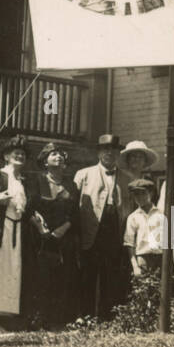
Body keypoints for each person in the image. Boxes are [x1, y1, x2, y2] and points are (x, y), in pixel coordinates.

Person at [74, 134, 131, 321]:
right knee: (88, 273)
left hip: (114, 229)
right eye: (105, 149)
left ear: (118, 154)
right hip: (91, 229)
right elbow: (74, 206)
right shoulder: (83, 174)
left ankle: (106, 316)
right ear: (98, 152)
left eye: (113, 150)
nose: (109, 153)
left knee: (110, 273)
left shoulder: (126, 178)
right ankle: (85, 315)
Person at [29, 143, 81, 329]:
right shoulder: (37, 181)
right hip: (41, 237)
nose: (57, 156)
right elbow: (31, 208)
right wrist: (41, 229)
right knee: (41, 277)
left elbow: (75, 213)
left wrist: (63, 229)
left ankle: (58, 319)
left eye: (60, 154)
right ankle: (39, 318)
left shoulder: (71, 185)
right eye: (53, 154)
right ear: (45, 161)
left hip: (63, 237)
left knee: (63, 277)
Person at [0, 135, 31, 328]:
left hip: (16, 229)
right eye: (16, 153)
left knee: (9, 272)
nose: (19, 156)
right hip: (0, 229)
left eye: (23, 154)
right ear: (6, 156)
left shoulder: (21, 180)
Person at [123, 178, 166, 278]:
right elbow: (129, 244)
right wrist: (135, 266)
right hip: (143, 259)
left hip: (161, 258)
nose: (140, 197)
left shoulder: (162, 214)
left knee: (163, 290)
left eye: (143, 193)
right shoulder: (133, 217)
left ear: (151, 193)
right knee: (144, 290)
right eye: (136, 194)